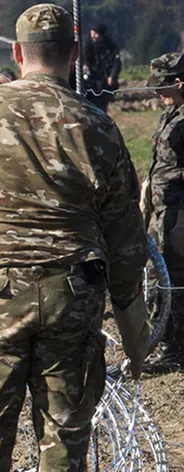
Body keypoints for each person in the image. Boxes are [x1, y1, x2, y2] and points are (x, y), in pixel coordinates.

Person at [0, 4, 150, 470]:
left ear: (16, 52)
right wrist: (130, 316)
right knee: (64, 441)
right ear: (74, 53)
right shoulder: (98, 125)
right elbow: (127, 239)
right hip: (73, 294)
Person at [143, 52, 184, 372]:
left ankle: (172, 350)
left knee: (171, 277)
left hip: (178, 212)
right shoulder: (171, 113)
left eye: (162, 85)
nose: (156, 92)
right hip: (162, 208)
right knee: (163, 273)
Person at [82, 24, 121, 113]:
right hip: (90, 78)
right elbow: (84, 59)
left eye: (96, 33)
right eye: (92, 33)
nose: (93, 36)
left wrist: (112, 76)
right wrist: (84, 67)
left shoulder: (110, 46)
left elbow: (116, 62)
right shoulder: (87, 44)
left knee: (103, 101)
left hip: (104, 77)